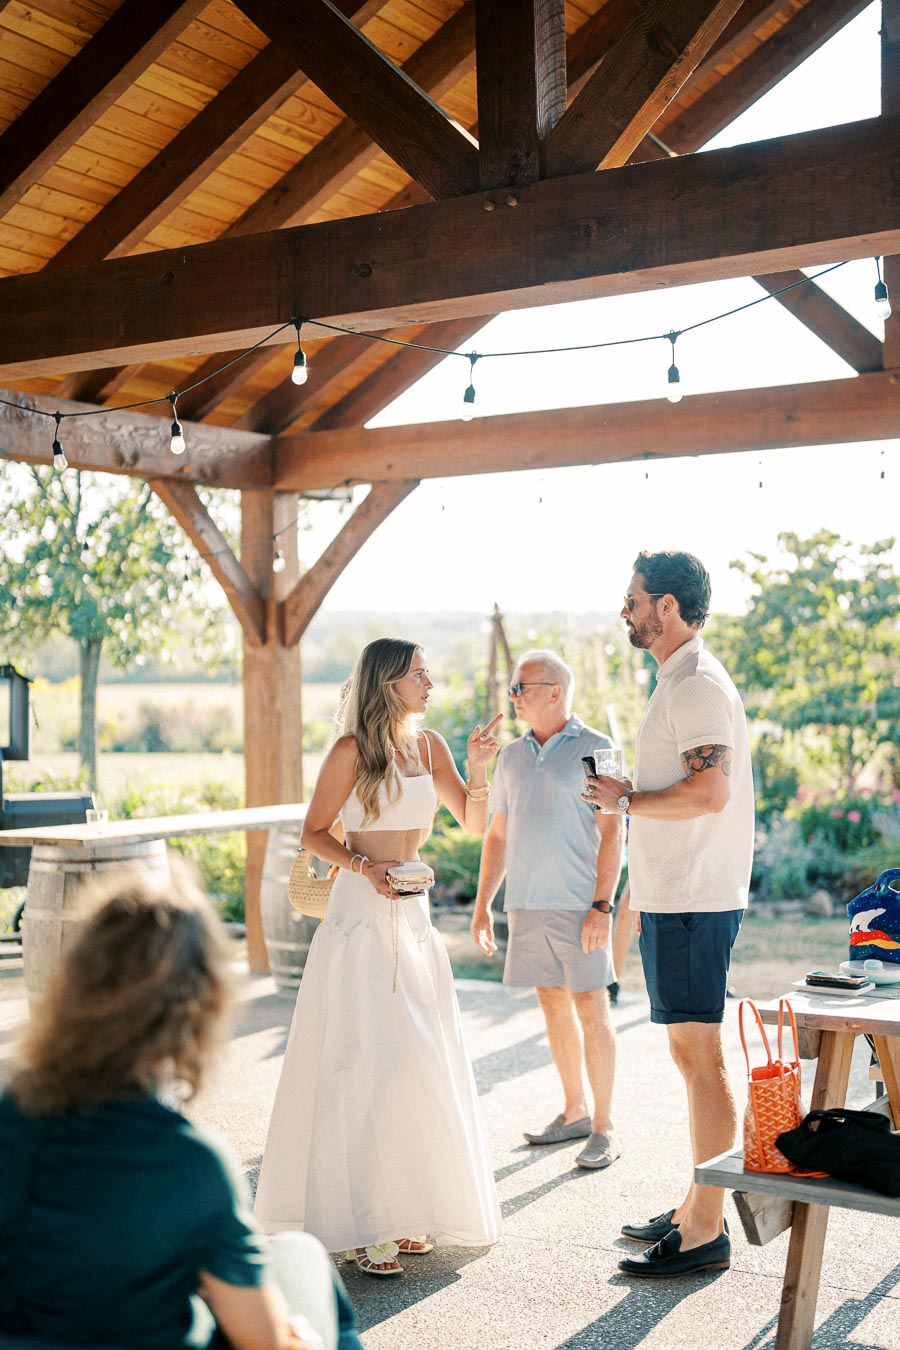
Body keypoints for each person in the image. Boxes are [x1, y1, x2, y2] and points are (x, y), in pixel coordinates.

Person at [0, 863, 361, 1350]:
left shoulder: (10, 1113)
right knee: (300, 1256)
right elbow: (263, 1341)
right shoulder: (190, 1163)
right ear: (200, 1007)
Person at [254, 639, 503, 1276]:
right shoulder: (350, 751)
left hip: (413, 916)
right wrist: (364, 868)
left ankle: (408, 1212)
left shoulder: (431, 747)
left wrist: (478, 767)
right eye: (419, 673)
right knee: (363, 1061)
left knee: (415, 1061)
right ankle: (364, 1223)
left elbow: (473, 823)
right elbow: (313, 832)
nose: (430, 682)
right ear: (388, 682)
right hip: (360, 917)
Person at [587, 551, 754, 1278]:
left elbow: (710, 790)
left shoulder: (694, 685)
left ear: (670, 607)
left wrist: (624, 800)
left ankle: (705, 1230)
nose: (625, 611)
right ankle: (696, 1203)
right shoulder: (681, 679)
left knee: (700, 1061)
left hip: (692, 898)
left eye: (635, 600)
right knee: (693, 1059)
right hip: (679, 897)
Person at [471, 649, 624, 1170]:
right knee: (553, 1006)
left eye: (521, 687)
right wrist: (483, 905)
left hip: (580, 905)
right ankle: (574, 1110)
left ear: (554, 692)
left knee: (592, 1010)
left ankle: (604, 1126)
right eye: (513, 688)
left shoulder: (599, 749)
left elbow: (613, 833)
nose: (512, 695)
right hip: (527, 906)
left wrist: (602, 905)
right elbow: (496, 836)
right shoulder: (510, 756)